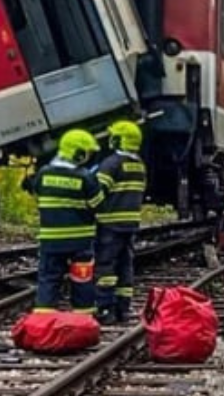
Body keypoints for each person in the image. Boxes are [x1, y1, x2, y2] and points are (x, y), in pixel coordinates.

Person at [28, 129, 104, 314]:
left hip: (51, 240)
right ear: (78, 153)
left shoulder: (43, 174)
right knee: (82, 280)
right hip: (80, 242)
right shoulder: (85, 177)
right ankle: (84, 318)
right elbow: (98, 204)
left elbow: (36, 194)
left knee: (48, 279)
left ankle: (43, 319)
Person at [92, 120, 146, 325]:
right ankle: (123, 307)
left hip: (109, 223)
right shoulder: (139, 164)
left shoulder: (111, 164)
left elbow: (98, 192)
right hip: (130, 223)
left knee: (105, 266)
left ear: (120, 140)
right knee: (125, 265)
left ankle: (106, 308)